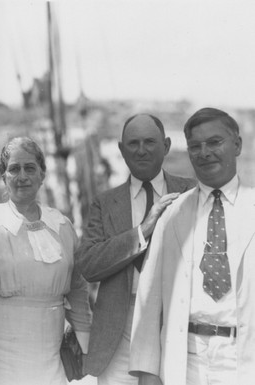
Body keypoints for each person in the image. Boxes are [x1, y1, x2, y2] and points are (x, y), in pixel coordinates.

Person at [130, 108, 255, 385]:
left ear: (237, 145)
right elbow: (149, 303)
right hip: (187, 359)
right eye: (195, 146)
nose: (204, 152)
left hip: (243, 359)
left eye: (214, 142)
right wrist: (148, 375)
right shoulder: (173, 214)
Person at [75, 114, 196, 385]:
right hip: (119, 329)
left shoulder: (191, 192)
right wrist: (143, 230)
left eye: (149, 142)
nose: (141, 150)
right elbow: (88, 265)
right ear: (121, 150)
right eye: (133, 143)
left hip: (176, 322)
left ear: (166, 146)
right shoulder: (105, 203)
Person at [0, 137, 91, 385]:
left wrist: (86, 348)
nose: (22, 176)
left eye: (30, 168)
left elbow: (78, 292)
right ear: (3, 176)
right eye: (14, 169)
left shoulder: (62, 225)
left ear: (42, 174)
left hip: (51, 357)